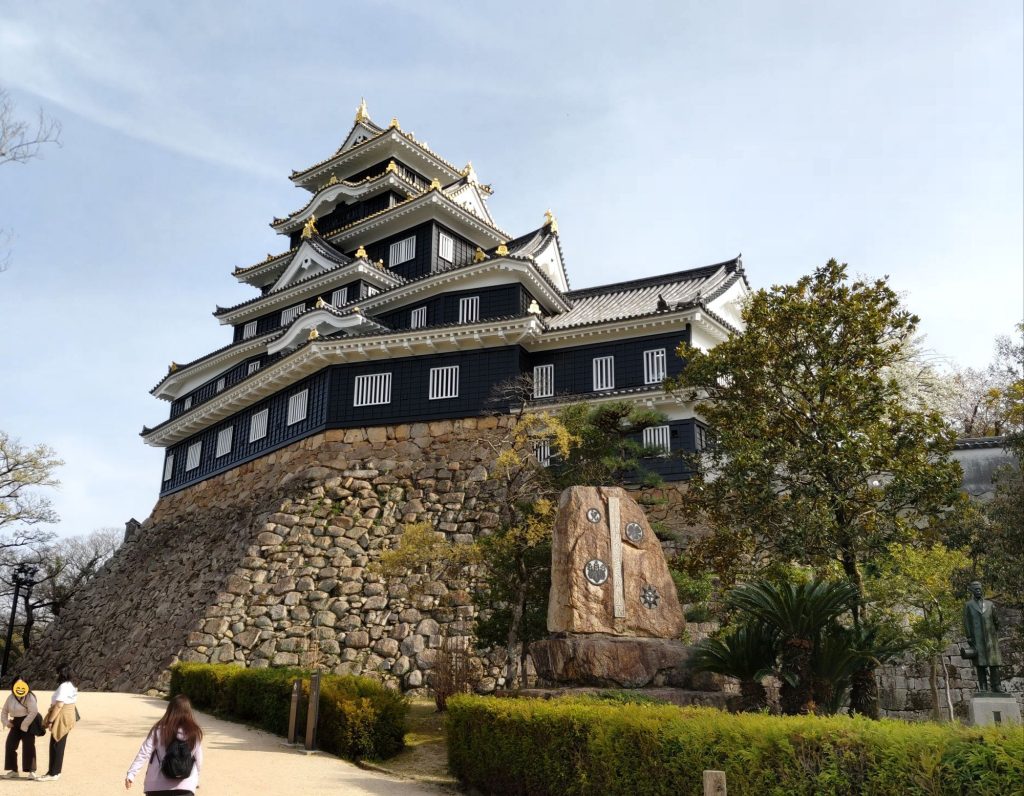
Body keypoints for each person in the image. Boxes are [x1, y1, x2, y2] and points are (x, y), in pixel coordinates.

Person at [125, 694, 204, 796]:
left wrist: (131, 774)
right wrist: (195, 779)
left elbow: (144, 753)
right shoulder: (193, 732)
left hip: (157, 787)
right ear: (189, 711)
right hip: (185, 786)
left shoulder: (158, 730)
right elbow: (198, 760)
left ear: (170, 710)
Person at [962, 580, 1004, 693]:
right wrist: (969, 636)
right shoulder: (968, 605)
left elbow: (996, 621)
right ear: (972, 591)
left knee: (994, 663)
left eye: (979, 589)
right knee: (980, 663)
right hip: (977, 638)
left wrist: (993, 633)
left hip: (991, 638)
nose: (978, 591)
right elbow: (966, 622)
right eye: (976, 589)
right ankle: (983, 687)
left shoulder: (990, 604)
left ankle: (997, 686)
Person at [38, 666, 77, 782]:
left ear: (62, 673)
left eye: (58, 672)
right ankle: (54, 771)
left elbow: (59, 705)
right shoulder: (71, 685)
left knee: (56, 743)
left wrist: (50, 720)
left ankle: (53, 773)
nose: (56, 675)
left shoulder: (64, 686)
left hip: (62, 715)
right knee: (58, 743)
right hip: (68, 714)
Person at [2, 677, 38, 779]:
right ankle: (13, 770)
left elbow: (33, 712)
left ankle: (31, 771)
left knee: (28, 746)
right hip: (15, 723)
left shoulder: (30, 696)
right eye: (17, 684)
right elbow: (4, 711)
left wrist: (24, 725)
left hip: (28, 721)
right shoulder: (10, 697)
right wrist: (6, 722)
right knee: (10, 745)